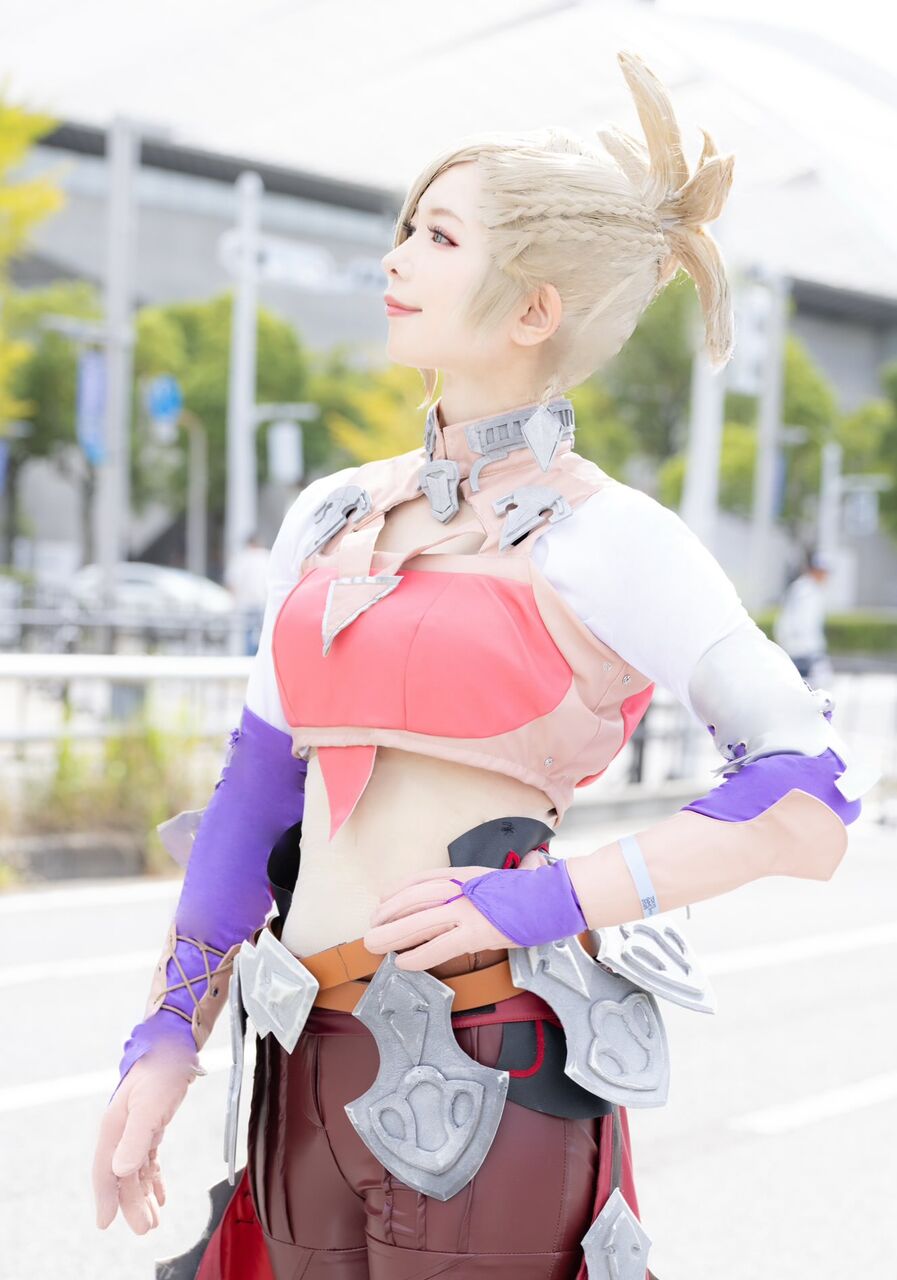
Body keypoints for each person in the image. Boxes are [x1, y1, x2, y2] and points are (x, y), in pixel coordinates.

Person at [92, 51, 877, 1279]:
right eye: (408, 226)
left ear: (533, 309)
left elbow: (809, 792)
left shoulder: (611, 537)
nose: (395, 257)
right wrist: (162, 1039)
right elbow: (253, 795)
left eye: (439, 236)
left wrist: (549, 899)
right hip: (296, 1066)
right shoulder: (330, 515)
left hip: (491, 1063)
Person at [774, 550, 833, 685]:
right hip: (801, 651)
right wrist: (813, 651)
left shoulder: (809, 588)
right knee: (806, 687)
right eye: (823, 571)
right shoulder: (806, 591)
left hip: (804, 650)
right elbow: (803, 624)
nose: (826, 576)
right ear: (815, 570)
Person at [225, 532, 270, 655]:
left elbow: (232, 582)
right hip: (263, 601)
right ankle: (259, 655)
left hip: (245, 603)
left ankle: (250, 656)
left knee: (247, 633)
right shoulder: (266, 557)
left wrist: (233, 600)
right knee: (264, 632)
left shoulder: (241, 558)